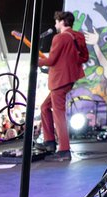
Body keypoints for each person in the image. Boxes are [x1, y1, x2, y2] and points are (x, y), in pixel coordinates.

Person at [36, 10, 87, 162]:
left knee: (59, 114)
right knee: (45, 107)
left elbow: (51, 61)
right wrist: (68, 63)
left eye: (57, 21)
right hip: (69, 79)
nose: (55, 24)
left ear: (62, 22)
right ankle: (49, 142)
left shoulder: (59, 38)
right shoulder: (78, 36)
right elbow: (84, 57)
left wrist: (36, 61)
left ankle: (64, 149)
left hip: (59, 81)